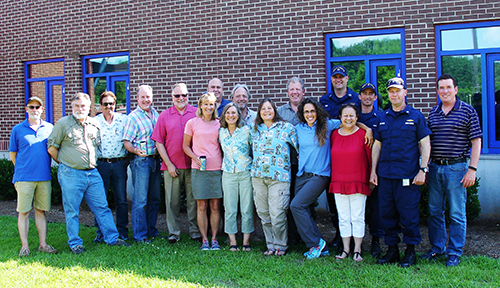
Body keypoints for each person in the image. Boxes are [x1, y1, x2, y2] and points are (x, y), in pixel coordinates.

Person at [47, 93, 129, 254]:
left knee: (102, 207)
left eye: (83, 106)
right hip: (71, 173)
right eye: (77, 106)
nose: (80, 109)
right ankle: (75, 243)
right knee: (72, 210)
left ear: (89, 107)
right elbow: (52, 148)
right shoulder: (63, 124)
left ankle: (112, 238)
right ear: (72, 107)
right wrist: (65, 163)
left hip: (92, 172)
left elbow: (96, 145)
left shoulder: (94, 123)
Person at [370, 77, 431, 268]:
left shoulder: (415, 116)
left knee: (409, 215)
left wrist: (423, 169)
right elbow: (377, 145)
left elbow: (426, 144)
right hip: (386, 176)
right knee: (386, 215)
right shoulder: (382, 117)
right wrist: (373, 170)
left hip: (408, 176)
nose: (394, 94)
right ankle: (392, 250)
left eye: (397, 90)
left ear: (405, 92)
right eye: (391, 91)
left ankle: (410, 252)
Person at [422, 74, 482, 267]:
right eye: (441, 88)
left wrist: (471, 169)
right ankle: (437, 247)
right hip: (435, 167)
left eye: (449, 87)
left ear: (455, 89)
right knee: (434, 211)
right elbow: (426, 143)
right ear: (437, 90)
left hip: (457, 168)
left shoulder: (468, 111)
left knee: (456, 213)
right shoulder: (433, 112)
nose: (445, 91)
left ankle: (454, 252)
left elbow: (476, 142)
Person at [290, 98, 340, 259]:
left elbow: (349, 121)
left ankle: (315, 244)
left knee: (297, 205)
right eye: (306, 112)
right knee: (301, 209)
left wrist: (366, 129)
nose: (310, 114)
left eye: (312, 111)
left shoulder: (327, 125)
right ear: (302, 114)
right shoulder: (298, 129)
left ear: (317, 112)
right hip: (302, 175)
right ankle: (319, 244)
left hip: (320, 175)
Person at [151, 83, 201, 243]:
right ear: (172, 97)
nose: (181, 98)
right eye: (177, 96)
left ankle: (195, 232)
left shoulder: (196, 113)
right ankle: (174, 233)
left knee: (193, 201)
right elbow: (159, 142)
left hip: (193, 166)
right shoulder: (164, 116)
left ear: (188, 96)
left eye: (184, 95)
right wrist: (169, 164)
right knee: (172, 202)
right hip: (171, 166)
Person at [9, 96, 58, 257]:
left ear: (42, 109)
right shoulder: (17, 129)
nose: (35, 110)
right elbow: (13, 155)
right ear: (26, 109)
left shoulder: (49, 128)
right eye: (31, 107)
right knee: (23, 212)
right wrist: (23, 170)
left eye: (38, 107)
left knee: (41, 211)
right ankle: (25, 246)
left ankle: (43, 244)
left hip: (44, 177)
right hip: (24, 178)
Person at [319, 66, 360, 251]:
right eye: (335, 77)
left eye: (341, 77)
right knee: (335, 204)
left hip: (352, 151)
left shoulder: (355, 99)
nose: (338, 80)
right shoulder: (324, 100)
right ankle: (339, 236)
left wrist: (367, 129)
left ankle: (359, 241)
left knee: (357, 207)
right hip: (332, 153)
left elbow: (360, 120)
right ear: (332, 79)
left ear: (347, 78)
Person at [251, 98, 298, 256]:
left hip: (279, 177)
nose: (266, 111)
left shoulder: (286, 127)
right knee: (264, 213)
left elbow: (299, 147)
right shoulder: (255, 129)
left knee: (277, 214)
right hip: (258, 177)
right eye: (263, 109)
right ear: (259, 112)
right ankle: (270, 245)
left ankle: (281, 245)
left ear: (274, 110)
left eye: (269, 108)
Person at [330, 103, 372, 262]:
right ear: (340, 117)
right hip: (339, 182)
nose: (348, 118)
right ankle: (346, 249)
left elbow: (369, 158)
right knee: (343, 217)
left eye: (351, 115)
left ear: (357, 117)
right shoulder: (334, 134)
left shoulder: (364, 134)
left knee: (357, 217)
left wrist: (370, 178)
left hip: (358, 182)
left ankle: (358, 249)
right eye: (345, 115)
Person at [183, 92, 223, 251]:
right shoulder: (192, 123)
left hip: (216, 168)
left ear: (215, 106)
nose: (208, 107)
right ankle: (204, 240)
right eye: (205, 104)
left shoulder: (219, 123)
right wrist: (195, 158)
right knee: (201, 206)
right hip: (199, 169)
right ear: (200, 106)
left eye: (211, 104)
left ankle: (214, 239)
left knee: (215, 205)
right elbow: (185, 146)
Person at [123, 85, 161, 243]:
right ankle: (140, 235)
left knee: (155, 199)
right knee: (140, 200)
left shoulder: (155, 114)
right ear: (137, 99)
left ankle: (152, 230)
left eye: (148, 97)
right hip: (141, 162)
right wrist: (136, 151)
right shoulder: (133, 117)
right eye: (143, 97)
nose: (146, 100)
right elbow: (126, 142)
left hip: (155, 160)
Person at [93, 91, 129, 243]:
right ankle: (101, 232)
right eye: (105, 104)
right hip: (101, 164)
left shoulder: (124, 119)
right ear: (100, 106)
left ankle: (122, 231)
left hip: (119, 163)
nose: (109, 106)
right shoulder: (94, 121)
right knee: (101, 200)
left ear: (116, 105)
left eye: (111, 104)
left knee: (121, 199)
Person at [219, 103, 254, 251]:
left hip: (245, 171)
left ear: (238, 115)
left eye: (234, 113)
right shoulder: (221, 132)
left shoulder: (246, 130)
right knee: (230, 208)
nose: (231, 115)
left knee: (246, 207)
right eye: (228, 113)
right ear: (224, 115)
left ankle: (246, 241)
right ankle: (232, 241)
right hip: (228, 173)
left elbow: (256, 147)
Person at [357, 83, 384, 258]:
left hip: (375, 168)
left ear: (375, 97)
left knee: (375, 208)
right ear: (359, 96)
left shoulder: (382, 116)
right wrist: (365, 128)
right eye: (364, 93)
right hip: (355, 167)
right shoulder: (353, 115)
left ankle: (375, 241)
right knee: (356, 208)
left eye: (371, 94)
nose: (367, 97)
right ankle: (352, 241)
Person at [277, 76, 304, 245]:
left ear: (303, 92)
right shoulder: (280, 112)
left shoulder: (310, 109)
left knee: (303, 201)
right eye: (292, 89)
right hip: (287, 165)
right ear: (288, 92)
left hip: (306, 164)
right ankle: (292, 236)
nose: (295, 92)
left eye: (297, 89)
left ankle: (304, 236)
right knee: (288, 200)